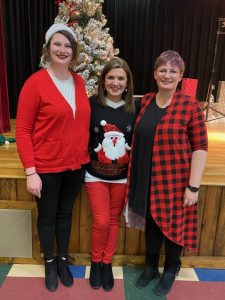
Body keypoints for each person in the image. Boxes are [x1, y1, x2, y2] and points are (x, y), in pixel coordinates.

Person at [125, 50, 208, 296]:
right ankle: (150, 267)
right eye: (163, 70)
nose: (167, 75)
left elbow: (200, 147)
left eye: (173, 71)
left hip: (175, 180)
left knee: (174, 226)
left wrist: (193, 186)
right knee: (151, 224)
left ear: (181, 76)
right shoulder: (146, 101)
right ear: (155, 74)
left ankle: (171, 269)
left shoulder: (190, 105)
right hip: (146, 178)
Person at [16, 23, 90, 292]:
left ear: (74, 51)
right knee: (47, 217)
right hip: (46, 167)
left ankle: (61, 260)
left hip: (75, 165)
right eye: (57, 44)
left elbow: (79, 123)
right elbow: (22, 130)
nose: (63, 49)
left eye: (68, 45)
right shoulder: (35, 83)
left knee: (65, 214)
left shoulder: (79, 81)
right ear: (48, 49)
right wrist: (30, 171)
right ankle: (48, 262)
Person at [85, 57, 139, 291]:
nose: (115, 82)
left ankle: (106, 262)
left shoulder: (135, 108)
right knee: (102, 221)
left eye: (120, 78)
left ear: (127, 83)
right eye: (110, 77)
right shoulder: (91, 104)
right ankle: (96, 261)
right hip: (95, 175)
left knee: (114, 221)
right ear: (103, 81)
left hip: (122, 177)